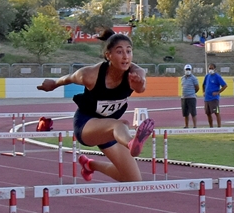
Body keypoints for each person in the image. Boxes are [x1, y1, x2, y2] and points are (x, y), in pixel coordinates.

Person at [37, 30, 155, 183]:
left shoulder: (136, 72)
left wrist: (138, 84)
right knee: (120, 125)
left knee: (133, 179)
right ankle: (132, 143)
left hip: (110, 132)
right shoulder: (91, 74)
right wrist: (53, 84)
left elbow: (141, 88)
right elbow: (69, 78)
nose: (125, 56)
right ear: (108, 55)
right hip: (86, 125)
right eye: (119, 52)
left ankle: (90, 165)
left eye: (129, 51)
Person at [202, 63, 227, 128]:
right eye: (209, 68)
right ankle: (211, 127)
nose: (210, 70)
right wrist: (203, 92)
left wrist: (218, 92)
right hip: (207, 98)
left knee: (216, 112)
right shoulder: (207, 76)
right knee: (208, 113)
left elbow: (224, 85)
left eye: (212, 68)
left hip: (214, 98)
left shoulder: (217, 77)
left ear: (215, 69)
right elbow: (203, 85)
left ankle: (219, 126)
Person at [180, 64, 199, 128]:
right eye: (186, 69)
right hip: (184, 97)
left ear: (191, 70)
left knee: (193, 112)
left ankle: (195, 126)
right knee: (185, 113)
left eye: (189, 69)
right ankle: (186, 125)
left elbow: (197, 87)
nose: (187, 71)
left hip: (191, 97)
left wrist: (192, 93)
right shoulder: (182, 78)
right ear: (184, 70)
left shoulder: (194, 78)